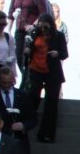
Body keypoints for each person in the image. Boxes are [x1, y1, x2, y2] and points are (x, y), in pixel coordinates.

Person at [22, 13, 67, 143]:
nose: (43, 29)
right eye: (41, 27)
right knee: (32, 97)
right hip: (36, 70)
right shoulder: (34, 33)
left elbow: (64, 54)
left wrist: (57, 53)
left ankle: (47, 134)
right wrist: (27, 51)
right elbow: (28, 47)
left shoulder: (58, 36)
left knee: (51, 103)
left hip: (52, 73)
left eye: (46, 27)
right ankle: (26, 125)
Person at [8, 0, 49, 72]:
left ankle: (29, 78)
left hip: (32, 31)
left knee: (29, 56)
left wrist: (33, 25)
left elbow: (43, 13)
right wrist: (8, 30)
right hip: (19, 30)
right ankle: (25, 77)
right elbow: (11, 12)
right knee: (19, 57)